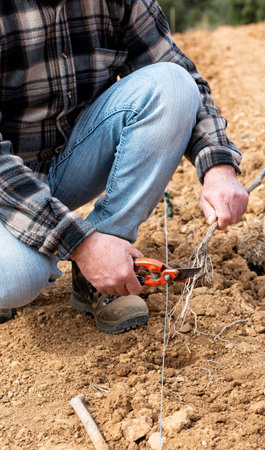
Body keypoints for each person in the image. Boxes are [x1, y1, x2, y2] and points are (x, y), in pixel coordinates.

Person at [0, 0, 249, 333]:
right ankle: (83, 258)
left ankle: (103, 275)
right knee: (18, 278)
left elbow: (176, 70)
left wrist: (218, 166)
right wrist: (81, 244)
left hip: (67, 160)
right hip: (8, 184)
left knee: (172, 85)